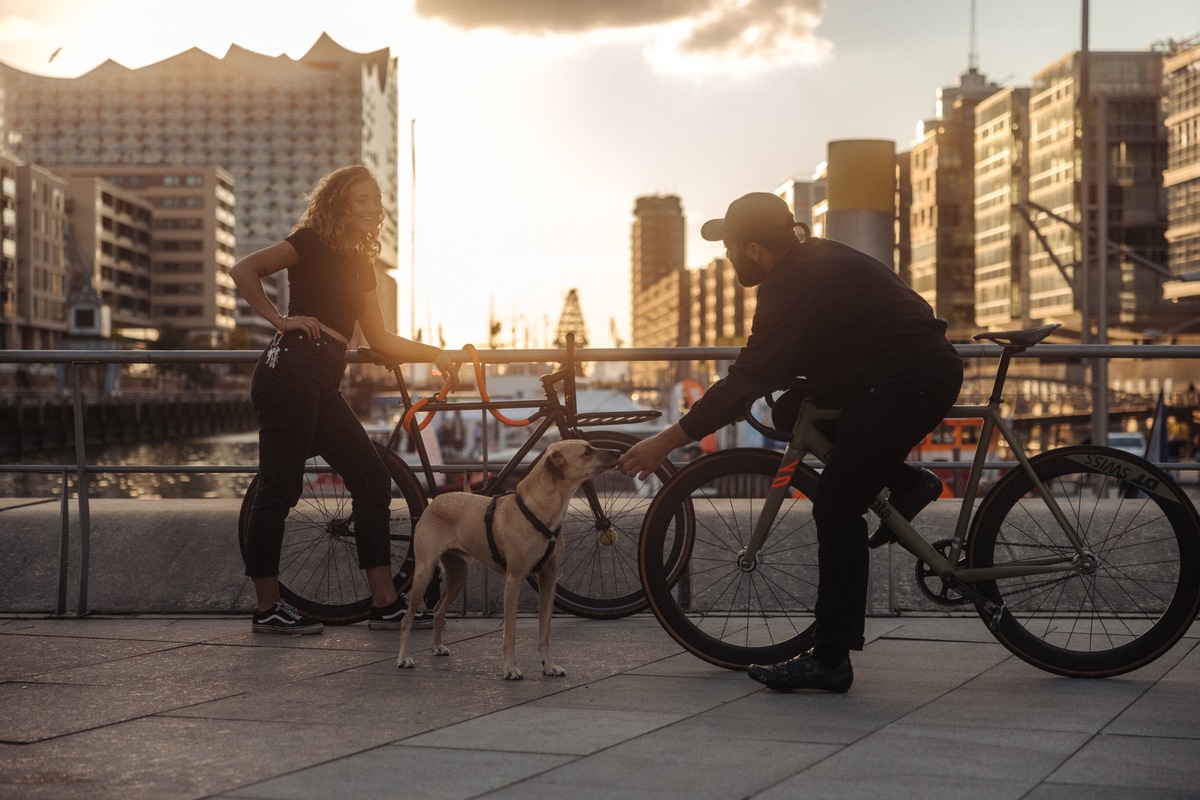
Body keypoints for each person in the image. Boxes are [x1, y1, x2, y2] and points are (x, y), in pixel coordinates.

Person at [618, 192, 962, 692]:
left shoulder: (792, 283)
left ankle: (830, 660)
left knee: (837, 508)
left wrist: (666, 442)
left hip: (905, 383)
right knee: (789, 409)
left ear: (755, 249)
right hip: (891, 372)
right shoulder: (813, 260)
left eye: (731, 247)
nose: (728, 257)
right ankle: (905, 484)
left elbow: (746, 379)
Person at [232, 164, 459, 635]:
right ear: (338, 202)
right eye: (361, 198)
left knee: (372, 479)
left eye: (376, 200)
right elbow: (244, 269)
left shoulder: (362, 264)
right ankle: (267, 610)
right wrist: (280, 319)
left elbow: (379, 338)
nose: (372, 207)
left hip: (322, 379)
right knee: (280, 489)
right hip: (289, 371)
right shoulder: (311, 241)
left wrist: (435, 352)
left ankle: (384, 603)